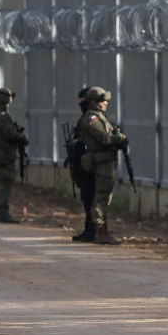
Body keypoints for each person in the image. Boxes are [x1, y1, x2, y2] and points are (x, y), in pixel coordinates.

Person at [78, 86, 127, 245]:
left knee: (104, 198)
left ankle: (101, 231)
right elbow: (104, 139)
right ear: (93, 102)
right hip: (102, 163)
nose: (105, 102)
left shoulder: (100, 117)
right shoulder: (92, 119)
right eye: (101, 100)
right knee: (101, 199)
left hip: (107, 162)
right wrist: (119, 139)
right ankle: (100, 232)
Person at [0, 87, 28, 224]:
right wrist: (21, 137)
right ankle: (2, 211)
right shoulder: (1, 115)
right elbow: (8, 133)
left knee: (0, 180)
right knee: (5, 180)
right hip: (4, 155)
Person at [67, 87, 98, 242]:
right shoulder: (85, 118)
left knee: (90, 199)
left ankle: (92, 231)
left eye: (83, 100)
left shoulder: (91, 119)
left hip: (91, 166)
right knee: (87, 199)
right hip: (83, 165)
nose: (81, 104)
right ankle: (88, 230)